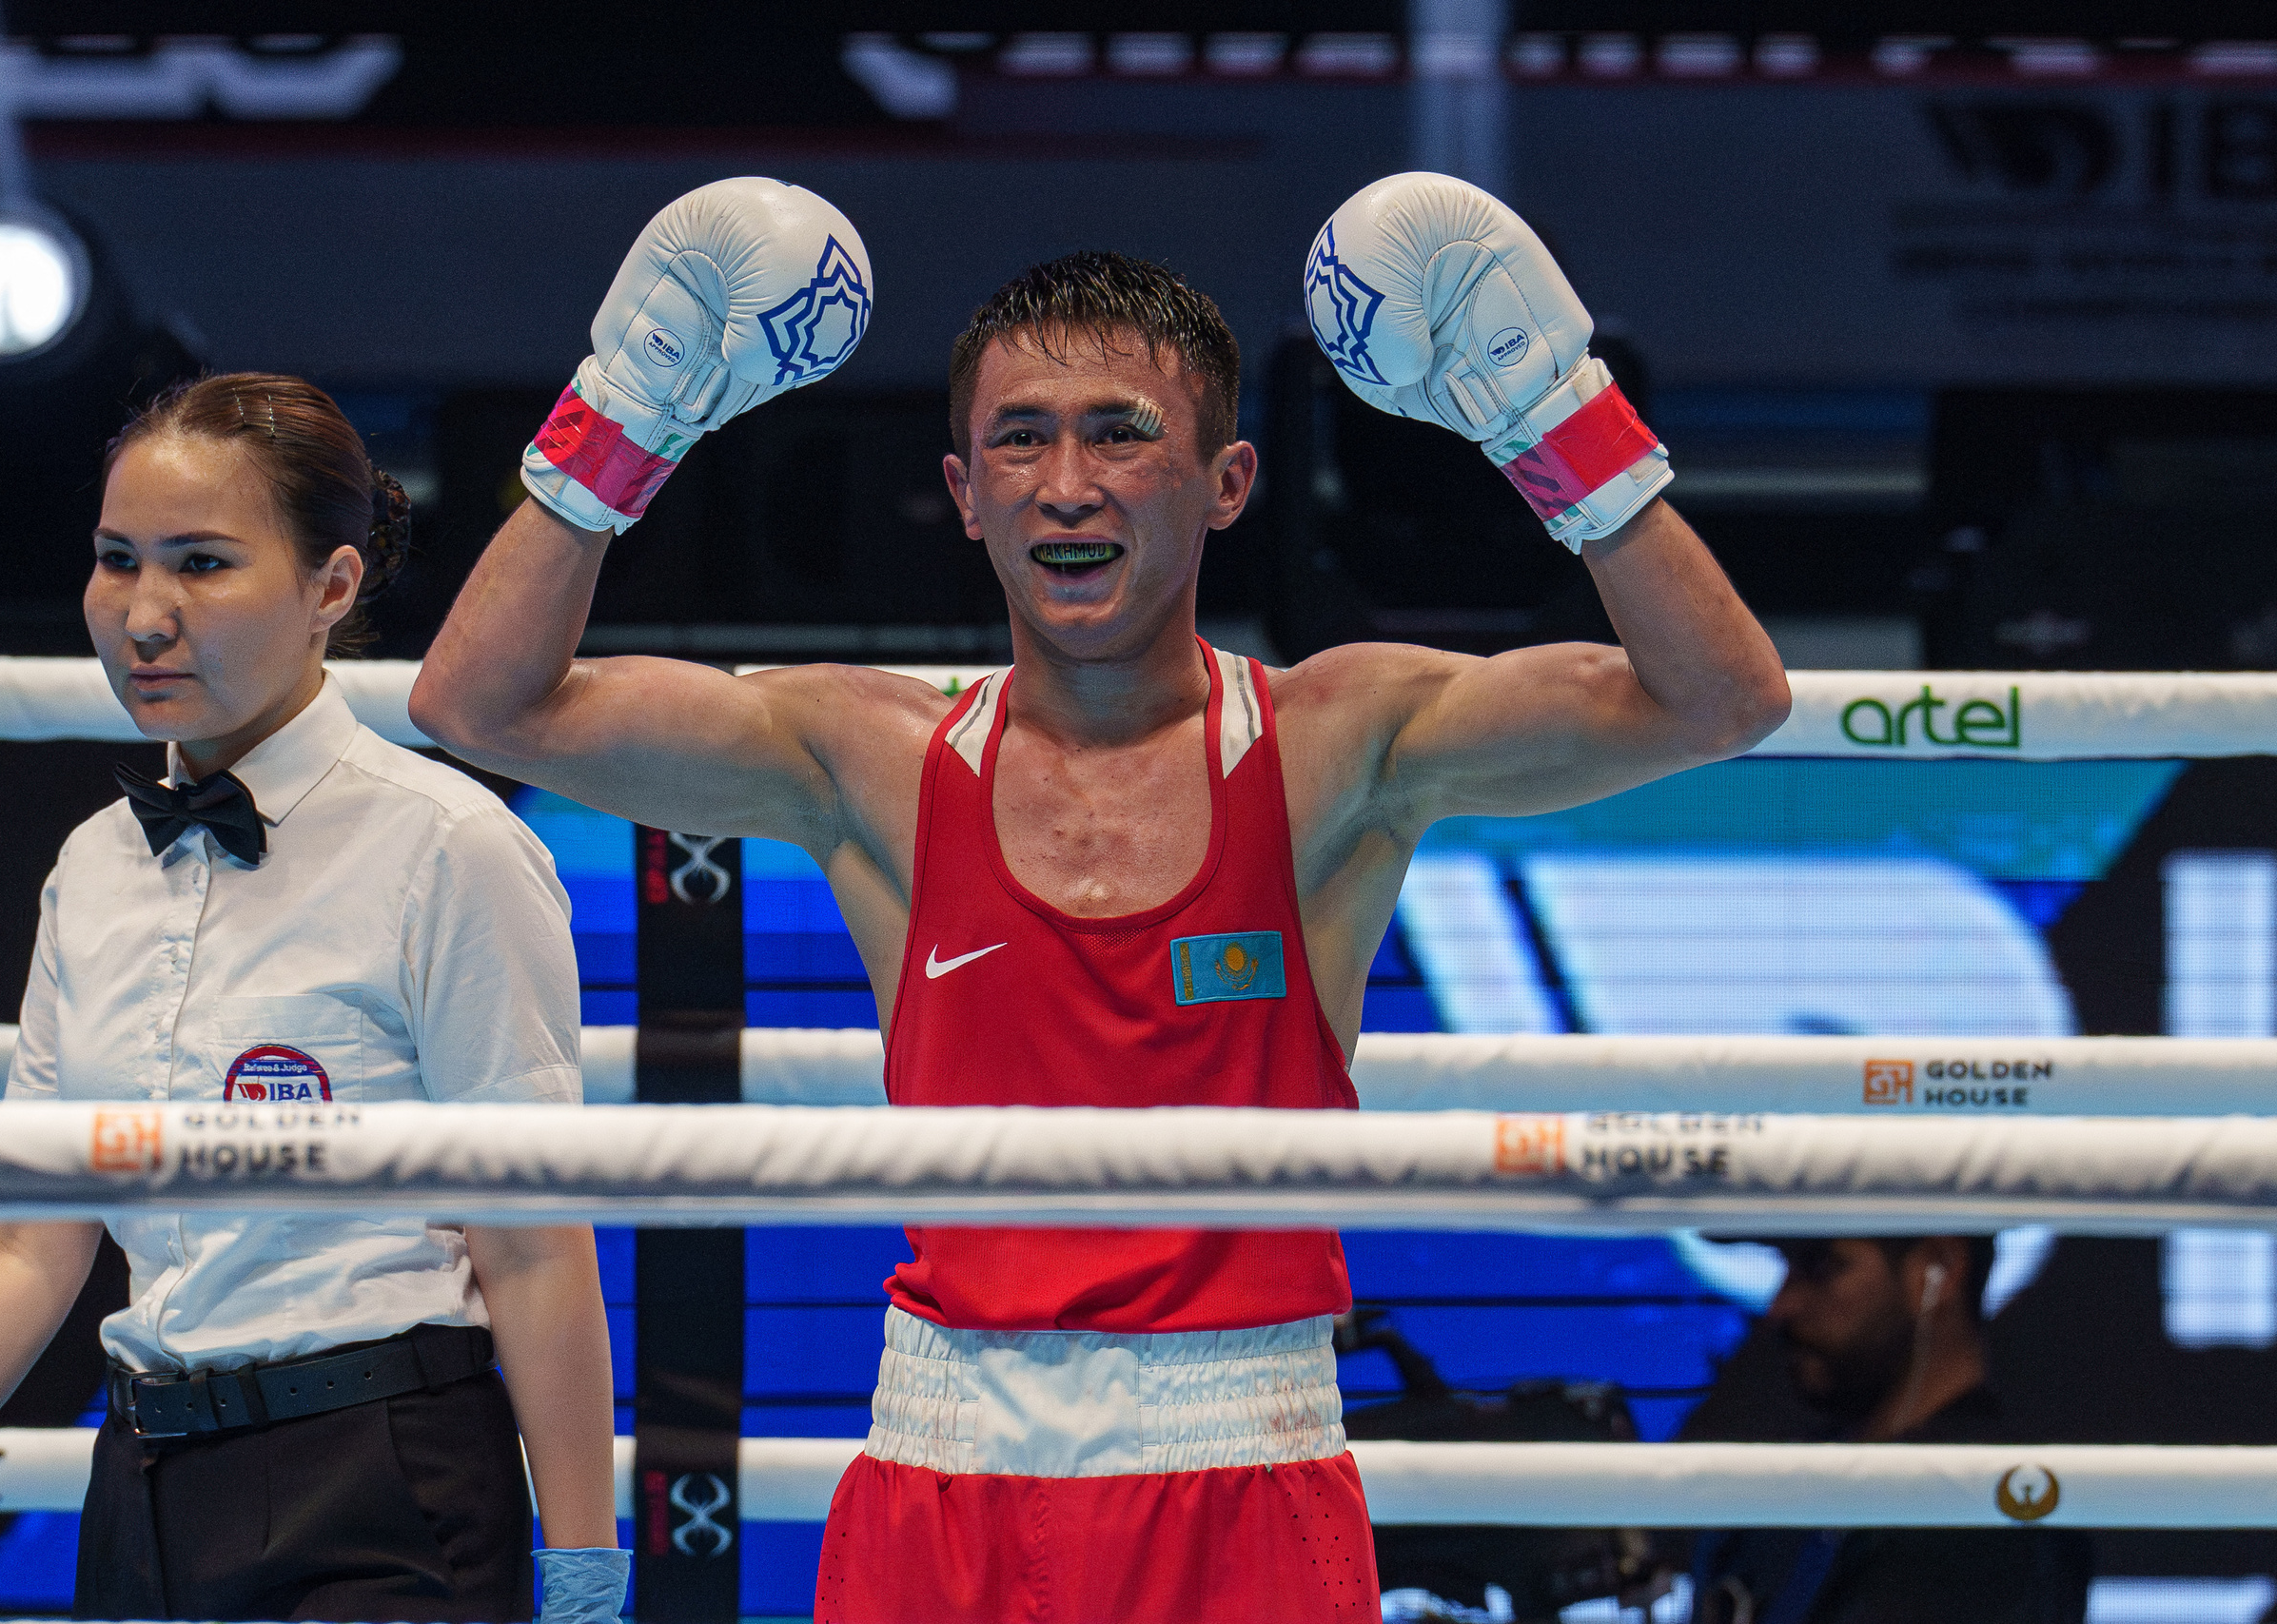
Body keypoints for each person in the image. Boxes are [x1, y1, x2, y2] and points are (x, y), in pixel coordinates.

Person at [409, 172, 1791, 1622]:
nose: (1066, 482)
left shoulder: (1338, 744)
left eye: (1121, 432)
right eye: (1021, 437)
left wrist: (1553, 422)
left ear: (1228, 484)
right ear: (965, 494)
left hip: (1245, 1469)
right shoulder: (870, 756)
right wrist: (626, 418)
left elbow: (1721, 696)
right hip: (943, 1475)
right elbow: (479, 701)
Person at [0, 374, 626, 1624]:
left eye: (202, 563)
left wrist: (585, 1561)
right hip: (141, 1481)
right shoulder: (93, 867)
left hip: (384, 1479)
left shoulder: (449, 847)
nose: (145, 614)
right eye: (118, 560)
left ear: (332, 587)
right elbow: (27, 1233)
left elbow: (530, 1240)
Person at [1680, 1237, 2091, 1624]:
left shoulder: (2006, 1506)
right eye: (1785, 1268)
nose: (1781, 1306)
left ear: (1939, 1267)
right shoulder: (1776, 1489)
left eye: (1823, 1267)